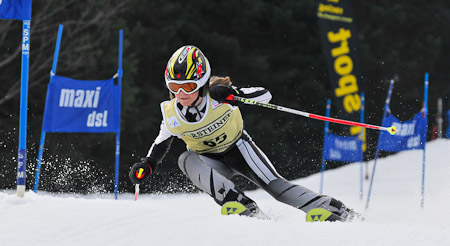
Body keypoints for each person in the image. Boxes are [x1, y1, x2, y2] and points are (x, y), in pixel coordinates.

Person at [129, 45, 357, 222]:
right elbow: (161, 144)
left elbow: (265, 95)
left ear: (200, 83)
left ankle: (333, 208)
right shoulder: (170, 113)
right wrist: (148, 164)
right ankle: (240, 203)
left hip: (239, 150)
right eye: (174, 87)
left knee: (277, 188)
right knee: (185, 159)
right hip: (210, 161)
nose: (180, 93)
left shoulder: (218, 97)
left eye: (187, 87)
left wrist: (234, 93)